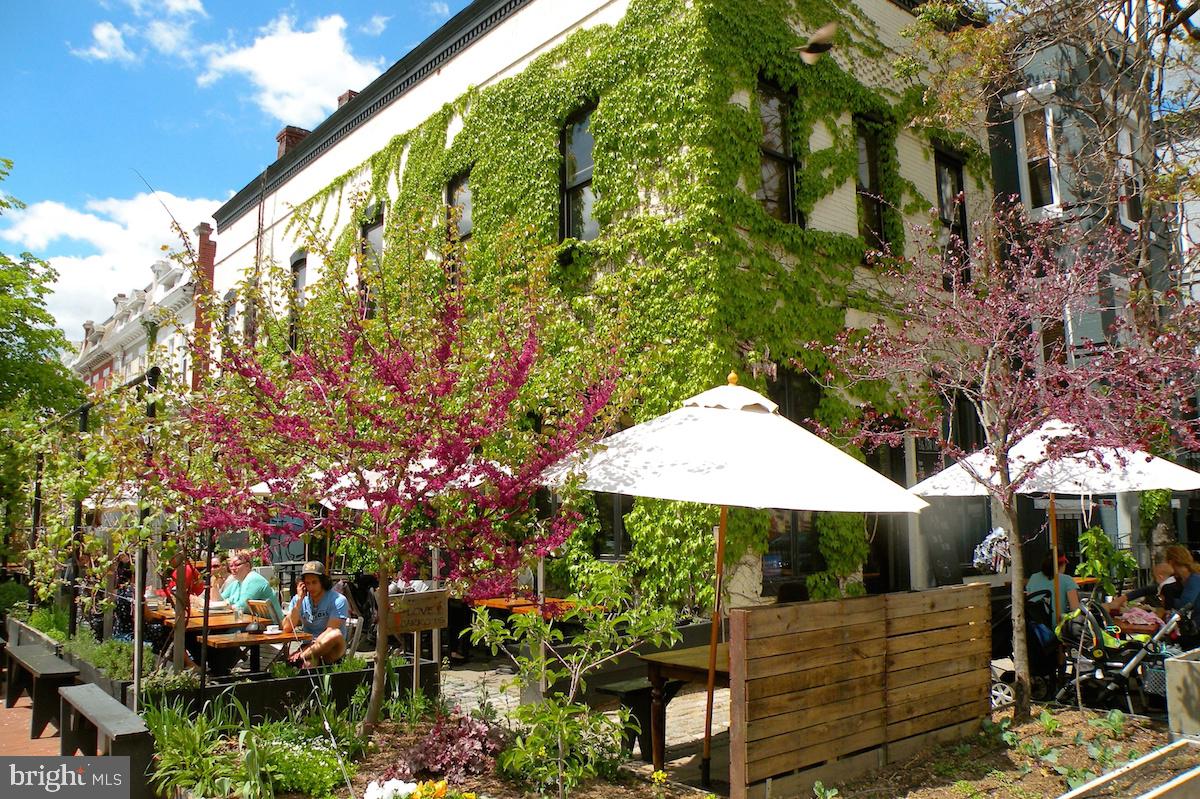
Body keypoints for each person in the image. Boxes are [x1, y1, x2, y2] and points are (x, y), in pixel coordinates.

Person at [283, 561, 348, 667]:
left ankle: (300, 657)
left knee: (335, 634)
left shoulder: (338, 600)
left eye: (314, 582)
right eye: (307, 583)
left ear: (322, 582)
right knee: (308, 665)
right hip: (309, 648)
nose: (311, 587)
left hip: (332, 648)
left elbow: (330, 631)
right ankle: (301, 659)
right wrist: (299, 602)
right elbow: (286, 628)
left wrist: (306, 650)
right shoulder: (299, 599)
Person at [224, 551, 283, 622]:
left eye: (237, 565)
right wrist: (215, 584)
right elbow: (220, 600)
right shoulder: (237, 583)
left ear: (247, 566)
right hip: (253, 623)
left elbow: (242, 606)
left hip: (271, 625)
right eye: (231, 566)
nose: (233, 568)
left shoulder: (253, 579)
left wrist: (226, 606)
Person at [1026, 552, 1079, 622]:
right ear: (1062, 564)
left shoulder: (1033, 578)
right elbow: (1075, 609)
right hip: (1058, 626)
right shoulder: (1067, 580)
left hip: (1036, 626)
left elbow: (1030, 603)